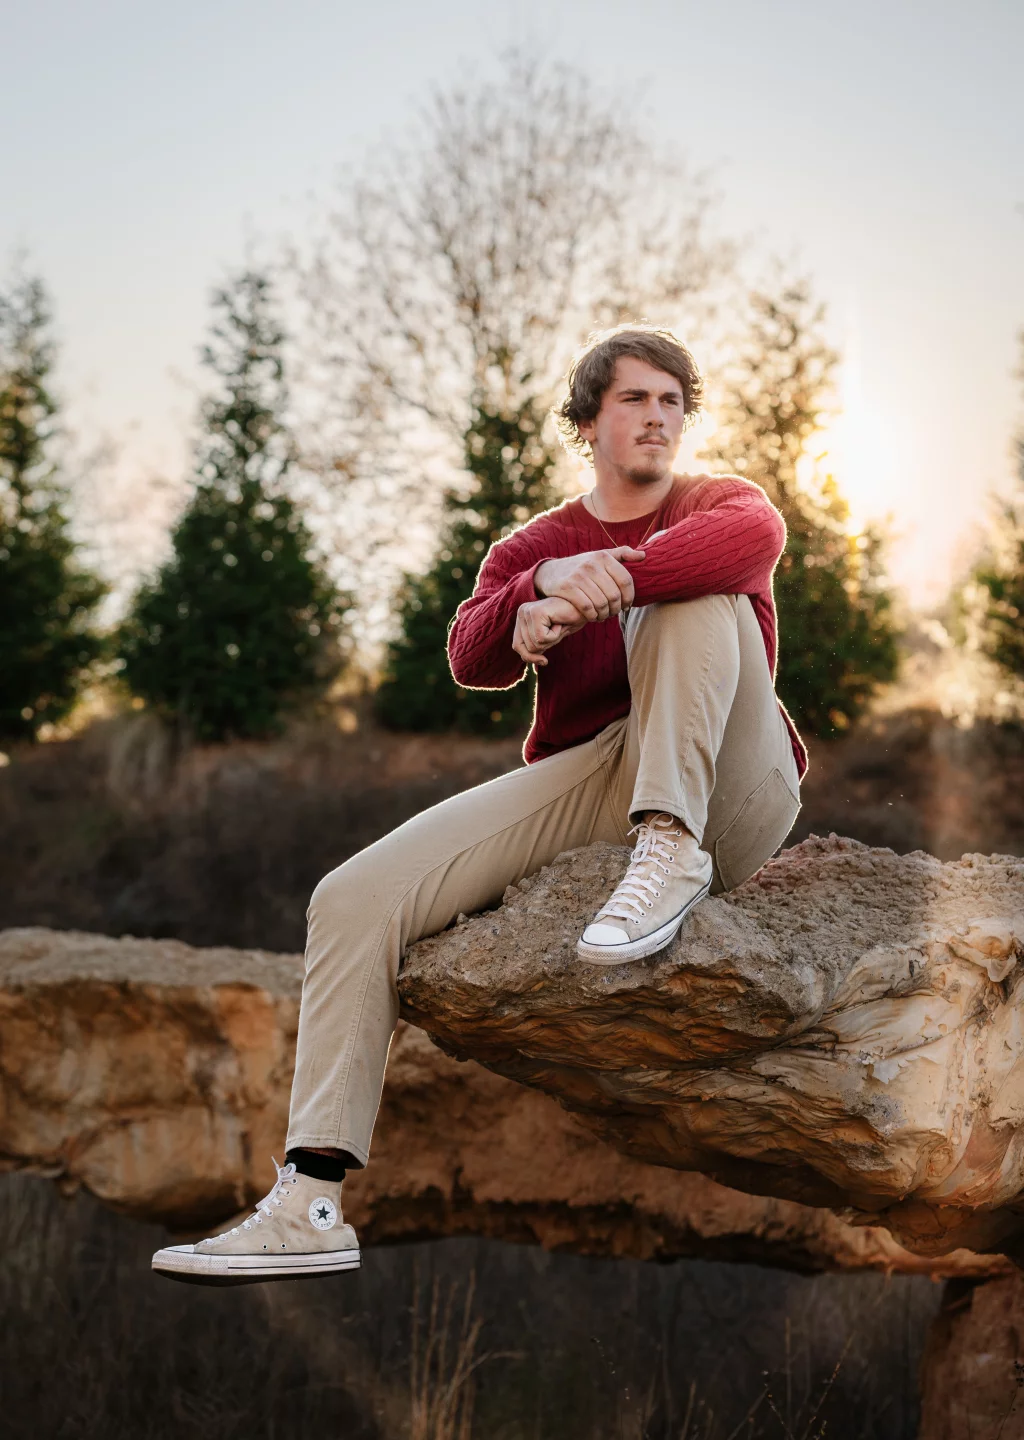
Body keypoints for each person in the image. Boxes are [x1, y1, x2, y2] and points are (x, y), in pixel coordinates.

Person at [152, 324, 806, 1285]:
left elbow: (752, 542)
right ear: (588, 421)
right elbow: (471, 655)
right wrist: (539, 584)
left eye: (673, 401)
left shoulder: (721, 503)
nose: (658, 416)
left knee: (693, 592)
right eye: (635, 398)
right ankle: (311, 1199)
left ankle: (671, 850)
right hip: (602, 780)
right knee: (350, 897)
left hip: (734, 787)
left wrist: (597, 594)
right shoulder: (538, 541)